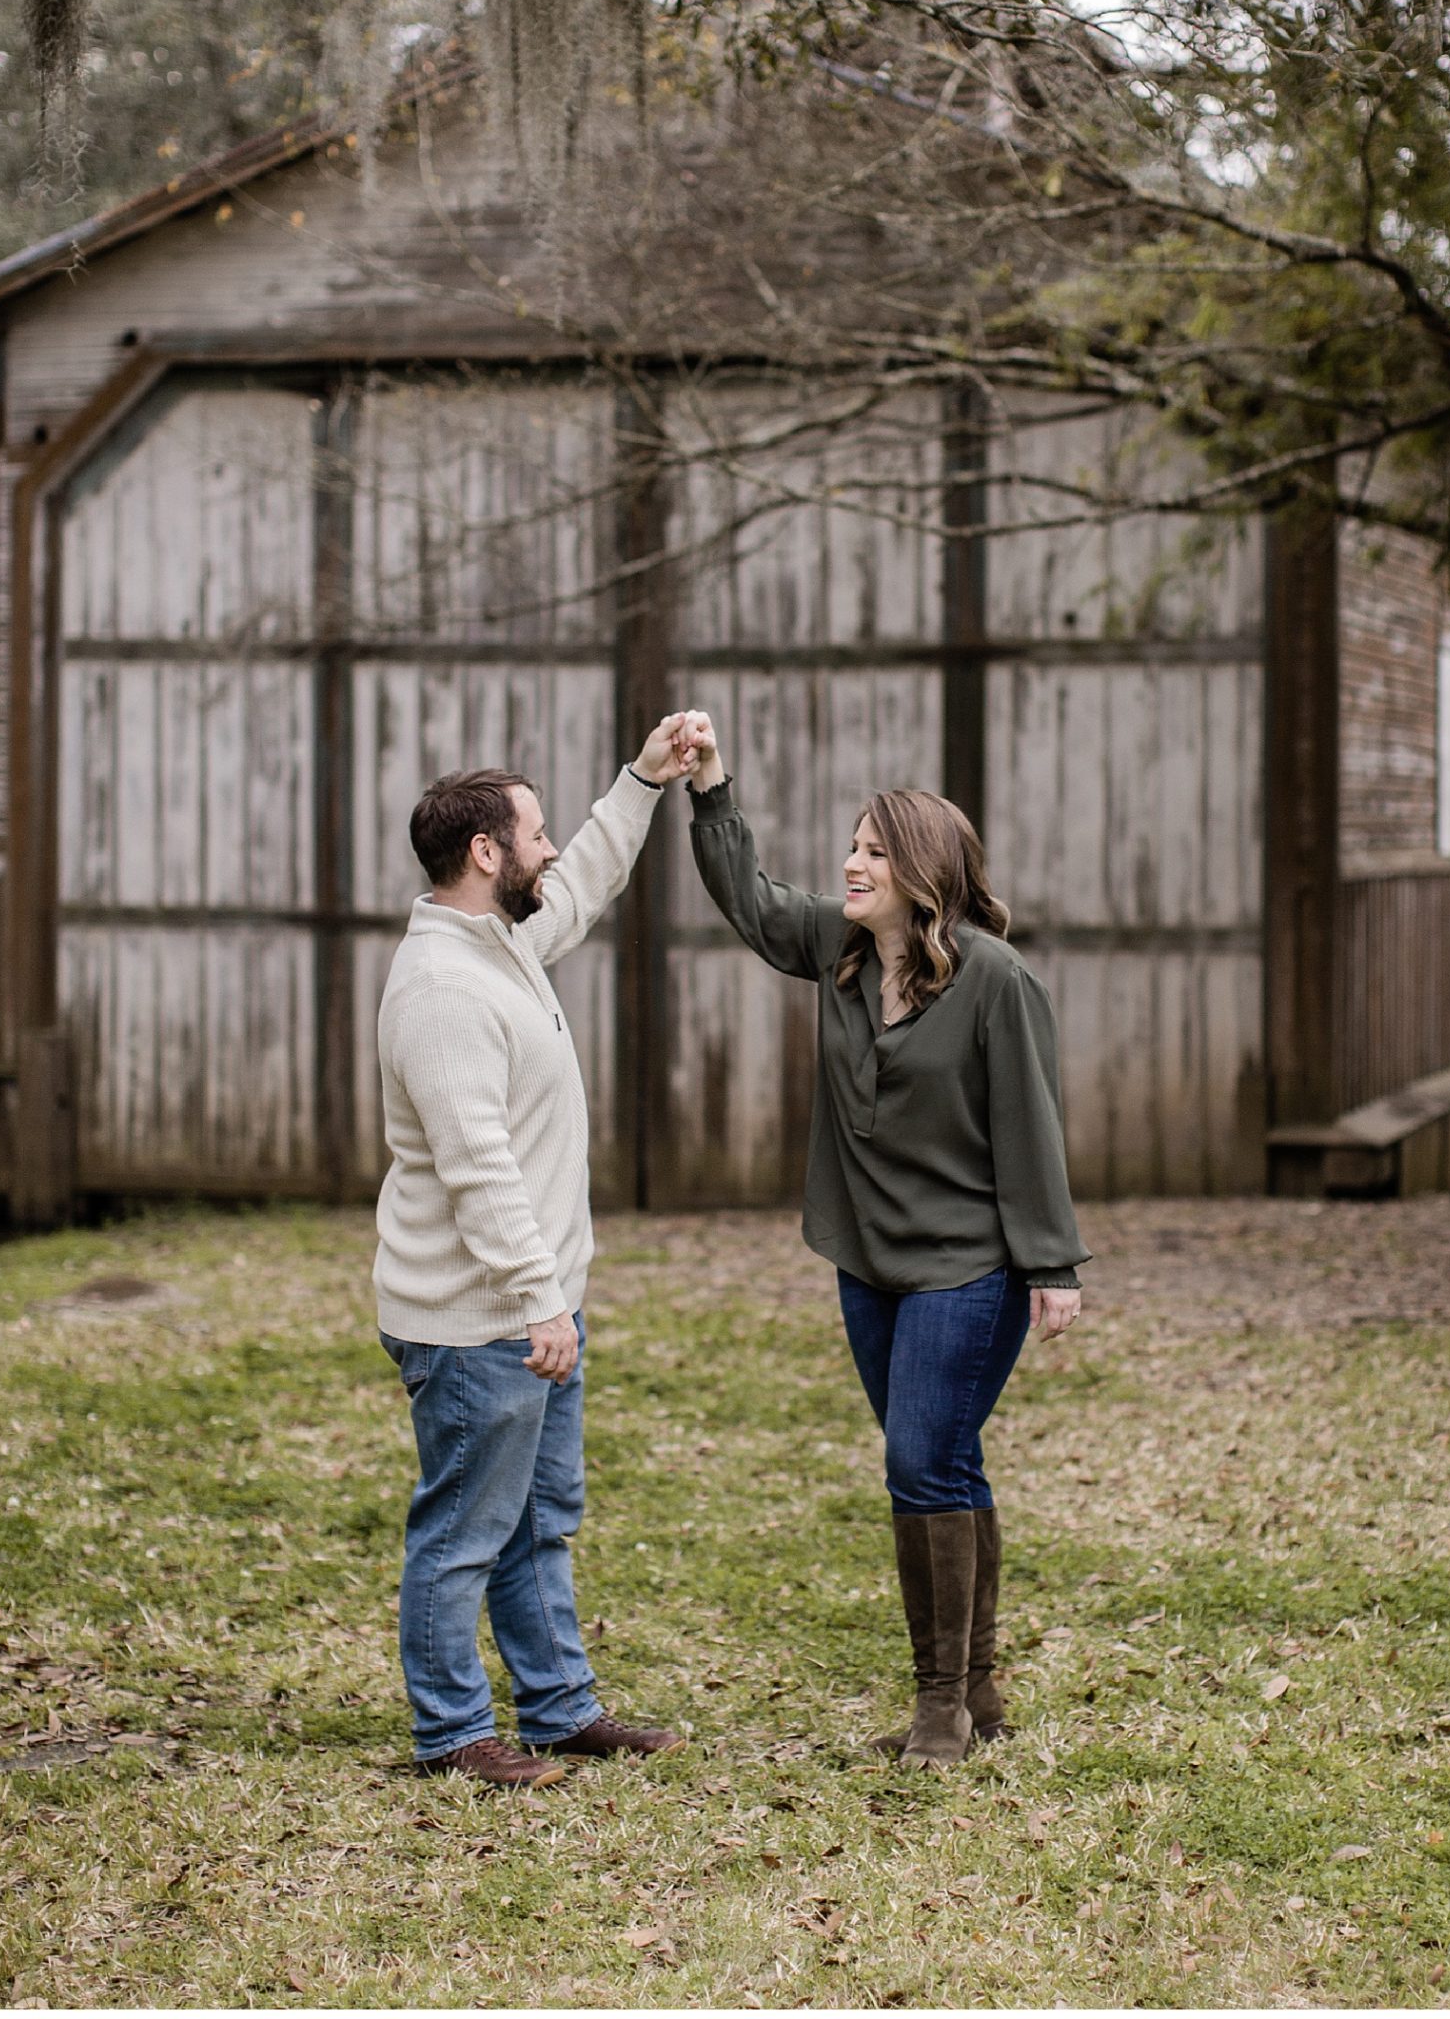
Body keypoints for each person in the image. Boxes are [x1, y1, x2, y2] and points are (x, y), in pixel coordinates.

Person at [681, 715, 1088, 1766]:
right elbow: (753, 901)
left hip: (968, 1264)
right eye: (852, 847)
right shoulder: (843, 950)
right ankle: (983, 1689)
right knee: (942, 1460)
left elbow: (1030, 1125)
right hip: (869, 1259)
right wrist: (711, 788)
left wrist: (1051, 1263)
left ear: (921, 873)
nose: (850, 864)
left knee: (919, 1462)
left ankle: (938, 1707)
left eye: (871, 849)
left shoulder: (997, 981)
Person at [374, 719, 700, 1789]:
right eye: (537, 831)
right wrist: (537, 1301)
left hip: (534, 1310)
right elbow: (478, 1167)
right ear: (485, 853)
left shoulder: (498, 943)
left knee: (537, 1524)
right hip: (483, 1322)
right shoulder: (443, 991)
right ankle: (453, 1735)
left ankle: (560, 1710)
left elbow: (584, 884)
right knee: (465, 1530)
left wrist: (645, 781)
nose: (551, 847)